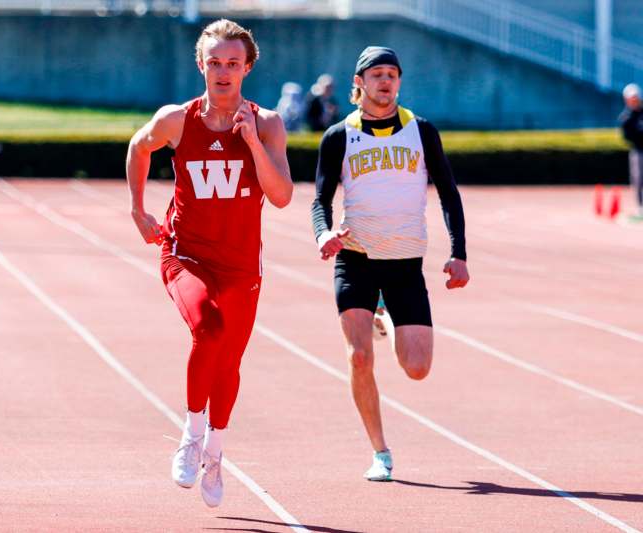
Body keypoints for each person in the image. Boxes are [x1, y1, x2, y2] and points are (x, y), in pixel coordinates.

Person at [125, 19, 292, 507]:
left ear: (247, 68)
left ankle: (216, 450)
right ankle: (192, 431)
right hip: (186, 255)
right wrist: (138, 210)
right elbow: (139, 146)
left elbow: (280, 196)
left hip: (241, 265)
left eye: (232, 64)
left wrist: (254, 145)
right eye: (214, 62)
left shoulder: (267, 123)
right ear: (201, 64)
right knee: (208, 329)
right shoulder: (178, 120)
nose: (223, 72)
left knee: (230, 363)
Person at [310, 46, 469, 481]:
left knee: (417, 368)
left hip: (404, 263)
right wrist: (324, 234)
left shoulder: (421, 131)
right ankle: (380, 452)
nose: (386, 81)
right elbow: (320, 200)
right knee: (359, 357)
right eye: (377, 74)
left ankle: (386, 311)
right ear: (359, 82)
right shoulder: (340, 136)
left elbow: (450, 194)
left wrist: (459, 253)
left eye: (392, 74)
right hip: (356, 260)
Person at [619, 83, 643, 218]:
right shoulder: (627, 117)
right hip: (638, 150)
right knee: (638, 178)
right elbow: (627, 136)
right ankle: (641, 206)